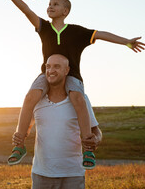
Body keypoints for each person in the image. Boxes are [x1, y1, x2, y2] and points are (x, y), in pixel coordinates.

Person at [0, 0, 145, 168]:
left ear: (65, 11)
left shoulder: (77, 32)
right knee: (30, 96)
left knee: (78, 98)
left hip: (73, 76)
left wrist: (126, 41)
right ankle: (19, 144)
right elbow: (26, 10)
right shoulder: (43, 28)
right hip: (47, 74)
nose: (50, 6)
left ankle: (88, 148)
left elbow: (101, 34)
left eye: (55, 4)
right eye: (49, 4)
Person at [14, 54, 102, 189]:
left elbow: (96, 130)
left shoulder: (80, 99)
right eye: (48, 67)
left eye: (57, 66)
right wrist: (19, 136)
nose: (51, 70)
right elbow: (27, 127)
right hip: (41, 174)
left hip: (73, 174)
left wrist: (96, 139)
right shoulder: (37, 99)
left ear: (67, 70)